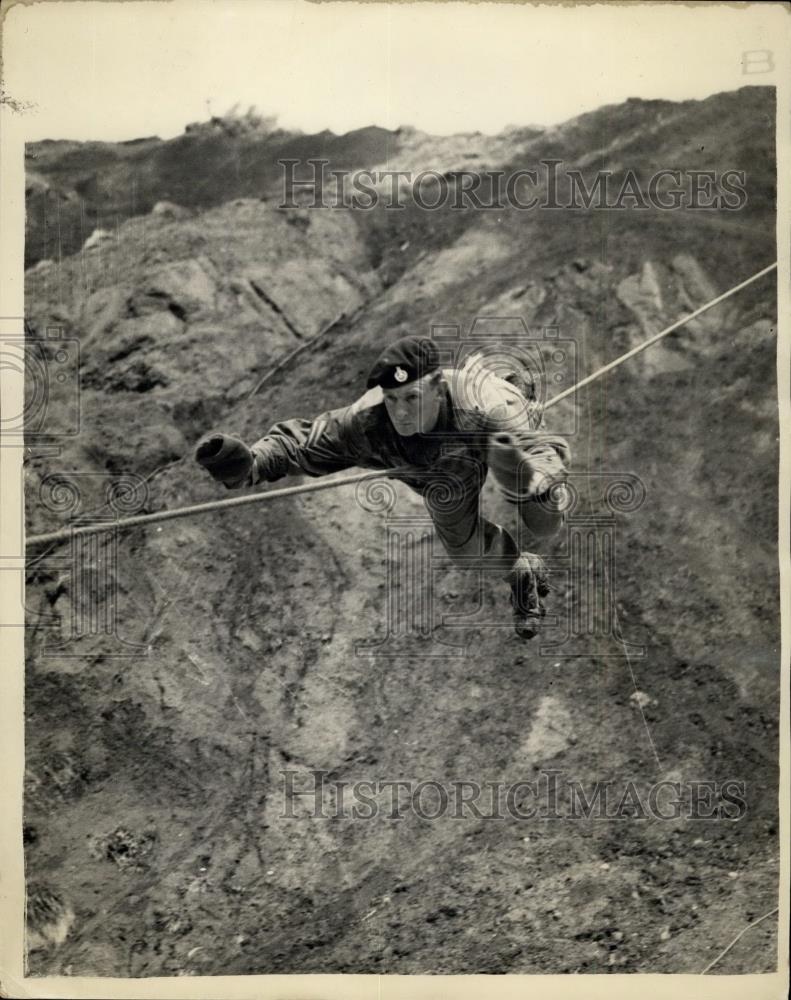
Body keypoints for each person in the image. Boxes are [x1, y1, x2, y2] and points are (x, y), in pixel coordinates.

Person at [195, 336, 571, 639]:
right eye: (392, 399)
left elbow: (544, 447)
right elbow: (300, 443)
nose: (401, 412)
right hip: (442, 477)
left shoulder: (478, 402)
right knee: (467, 552)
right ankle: (522, 572)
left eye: (412, 397)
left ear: (437, 387)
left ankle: (518, 473)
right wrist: (250, 463)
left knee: (543, 521)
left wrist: (540, 472)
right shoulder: (368, 421)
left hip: (489, 432)